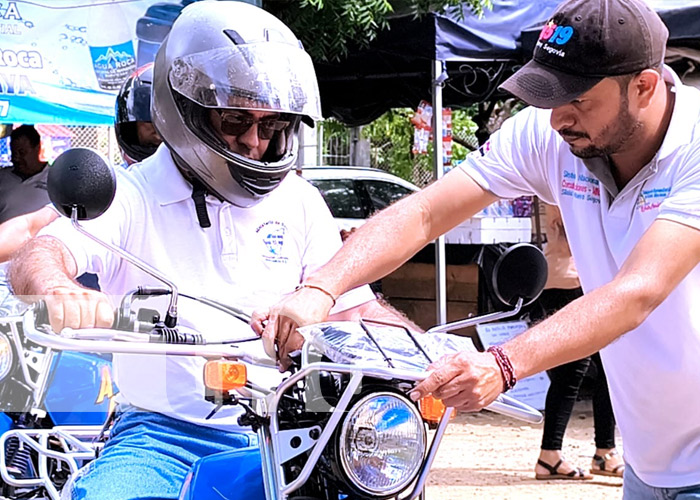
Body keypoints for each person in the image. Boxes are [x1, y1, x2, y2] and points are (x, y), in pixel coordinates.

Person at [260, 0, 700, 497]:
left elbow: (638, 291)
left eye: (576, 99)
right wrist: (321, 288)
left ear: (643, 85)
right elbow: (426, 212)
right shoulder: (557, 133)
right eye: (548, 96)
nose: (557, 119)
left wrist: (502, 363)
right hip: (648, 462)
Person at [9, 3, 412, 499]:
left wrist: (423, 351)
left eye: (270, 127)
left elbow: (357, 309)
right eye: (235, 120)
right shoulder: (131, 195)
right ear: (186, 112)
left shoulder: (301, 201)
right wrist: (59, 288)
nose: (254, 143)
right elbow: (41, 253)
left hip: (300, 431)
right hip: (163, 438)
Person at [0, 64, 160, 264]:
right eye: (150, 122)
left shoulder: (210, 188)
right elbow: (32, 228)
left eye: (170, 123)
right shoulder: (112, 187)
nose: (161, 132)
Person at [531, 204, 622, 481]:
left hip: (570, 281)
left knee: (608, 366)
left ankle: (604, 451)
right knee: (572, 373)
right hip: (568, 283)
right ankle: (550, 455)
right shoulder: (568, 180)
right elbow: (576, 238)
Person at [0, 125, 50, 224]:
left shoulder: (55, 178)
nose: (16, 158)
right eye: (14, 153)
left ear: (37, 148)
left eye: (22, 152)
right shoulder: (2, 177)